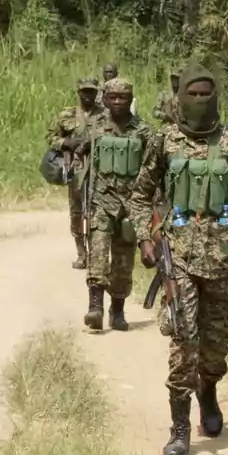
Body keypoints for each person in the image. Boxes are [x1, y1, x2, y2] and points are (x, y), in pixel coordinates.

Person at [130, 63, 228, 455]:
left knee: (218, 342)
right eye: (192, 93)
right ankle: (179, 427)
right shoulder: (165, 141)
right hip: (179, 258)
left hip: (223, 257)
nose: (199, 100)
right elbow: (140, 195)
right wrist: (146, 237)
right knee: (184, 341)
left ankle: (208, 389)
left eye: (206, 93)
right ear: (179, 98)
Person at [81, 77, 155, 331]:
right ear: (105, 99)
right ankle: (95, 307)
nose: (118, 102)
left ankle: (118, 311)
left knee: (124, 260)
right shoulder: (94, 128)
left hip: (132, 205)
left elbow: (153, 167)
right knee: (98, 253)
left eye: (123, 97)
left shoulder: (144, 131)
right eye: (113, 97)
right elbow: (83, 157)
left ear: (130, 99)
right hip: (102, 200)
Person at [45, 77, 104, 269]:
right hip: (75, 171)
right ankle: (81, 254)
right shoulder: (67, 114)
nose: (88, 96)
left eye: (92, 92)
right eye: (84, 92)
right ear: (78, 92)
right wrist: (65, 143)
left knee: (97, 212)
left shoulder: (105, 114)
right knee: (77, 213)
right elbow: (50, 136)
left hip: (99, 171)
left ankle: (96, 254)